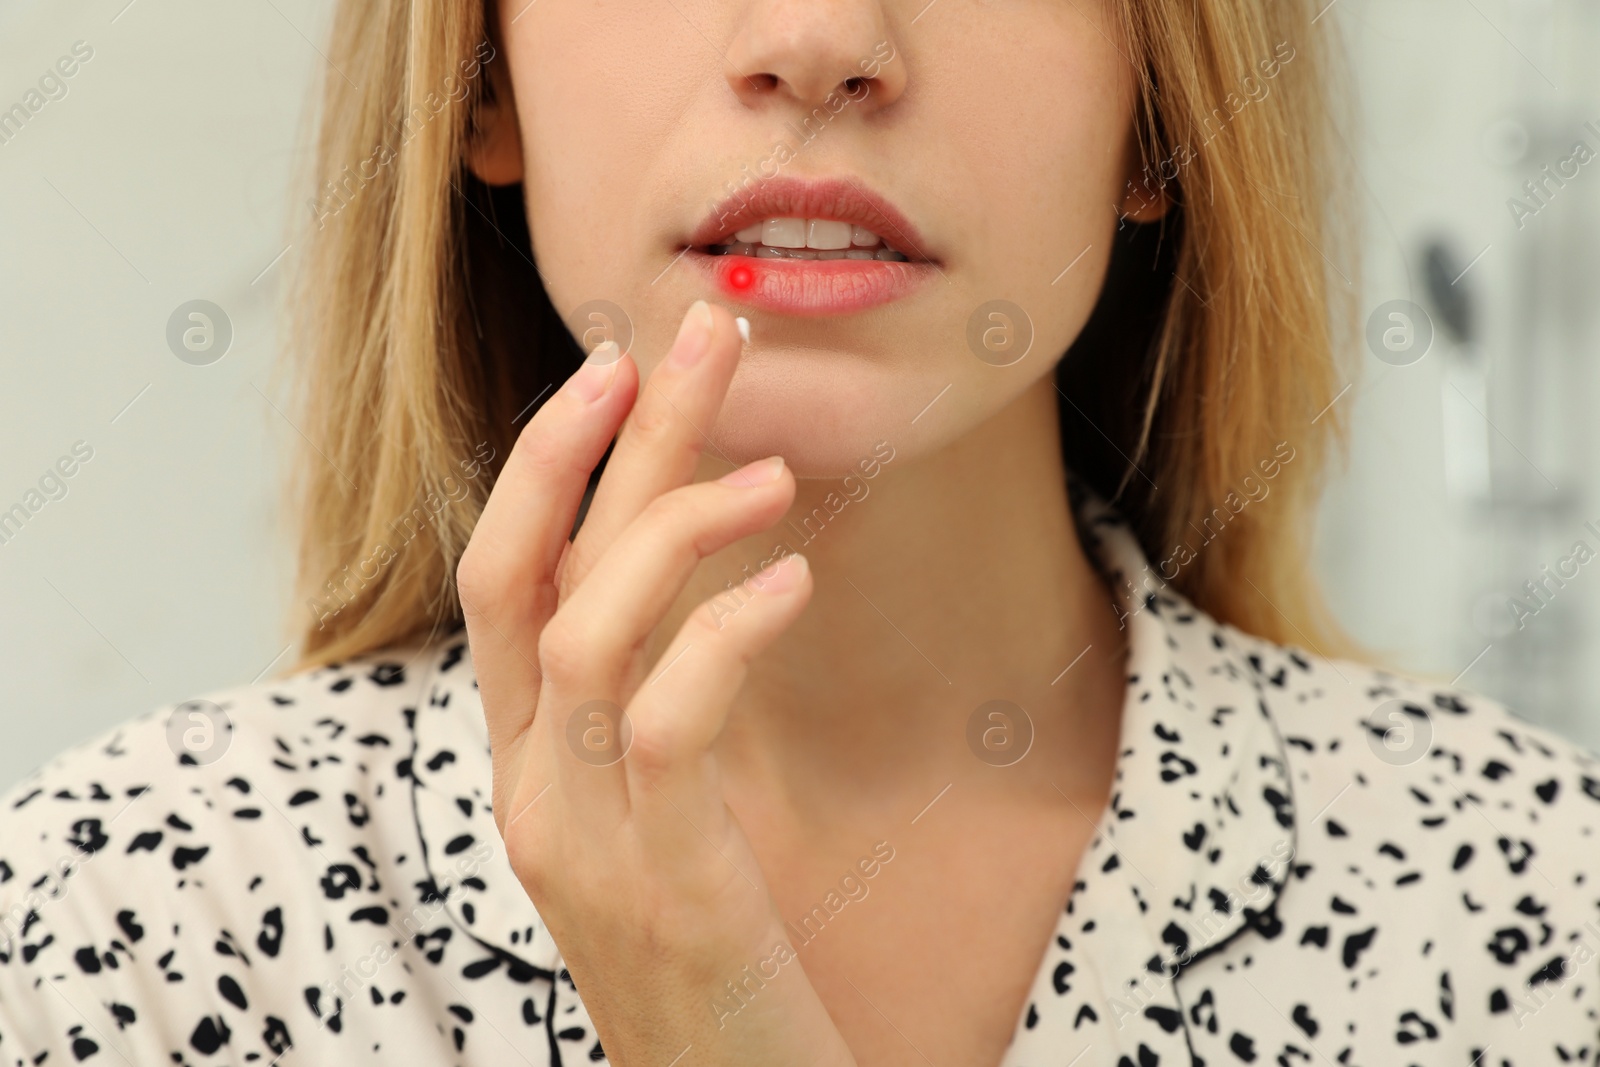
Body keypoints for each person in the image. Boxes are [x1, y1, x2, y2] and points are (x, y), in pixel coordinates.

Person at [2, 1, 1596, 1065]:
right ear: (480, 77)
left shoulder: (1542, 910)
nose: (822, 40)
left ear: (1161, 110)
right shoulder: (130, 920)